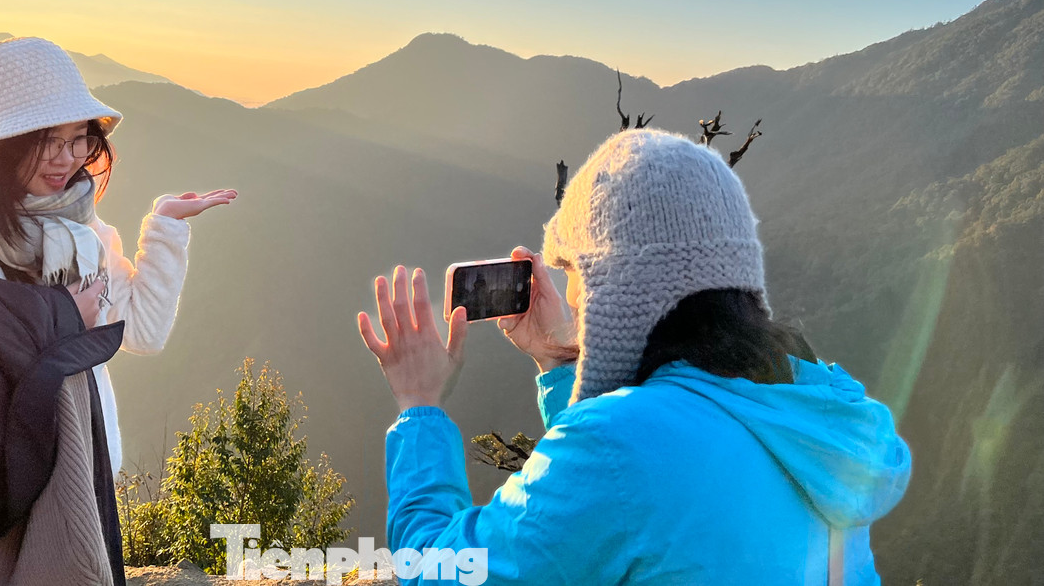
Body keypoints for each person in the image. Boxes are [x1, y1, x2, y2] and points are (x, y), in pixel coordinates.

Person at [357, 128, 911, 585]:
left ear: (618, 285)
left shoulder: (618, 446)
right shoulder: (819, 411)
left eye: (576, 271)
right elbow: (636, 498)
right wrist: (558, 362)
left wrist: (419, 404)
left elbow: (437, 569)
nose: (573, 296)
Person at [0, 36, 236, 476]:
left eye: (79, 139)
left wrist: (166, 228)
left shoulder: (80, 232)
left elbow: (142, 332)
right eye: (47, 141)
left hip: (82, 480)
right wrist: (57, 316)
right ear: (2, 144)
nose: (67, 160)